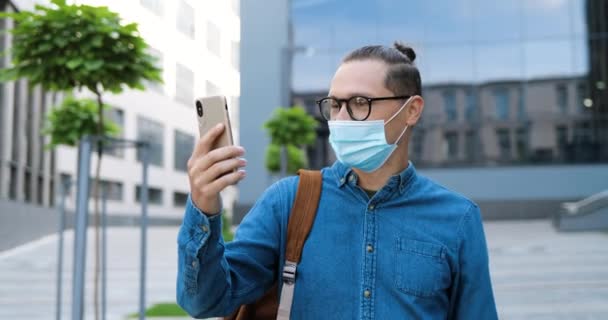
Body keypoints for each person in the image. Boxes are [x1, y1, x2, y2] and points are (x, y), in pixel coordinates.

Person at [176, 42, 499, 319]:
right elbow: (205, 301)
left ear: (412, 110)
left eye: (360, 103)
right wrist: (204, 206)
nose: (341, 119)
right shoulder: (288, 201)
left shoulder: (457, 218)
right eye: (334, 105)